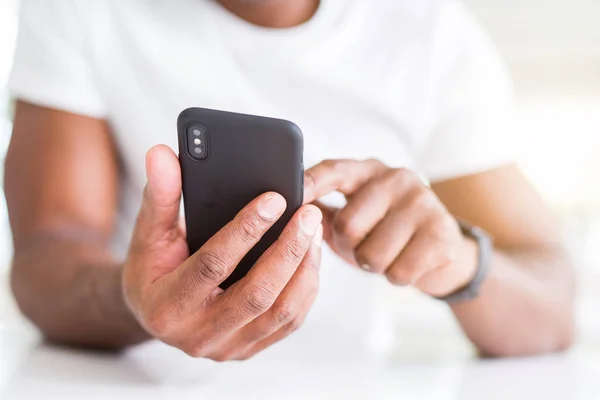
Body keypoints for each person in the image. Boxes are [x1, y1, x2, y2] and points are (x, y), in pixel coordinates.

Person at [5, 0, 574, 363]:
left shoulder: (432, 36)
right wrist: (135, 299)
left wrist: (459, 263)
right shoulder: (78, 10)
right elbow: (44, 260)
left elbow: (553, 308)